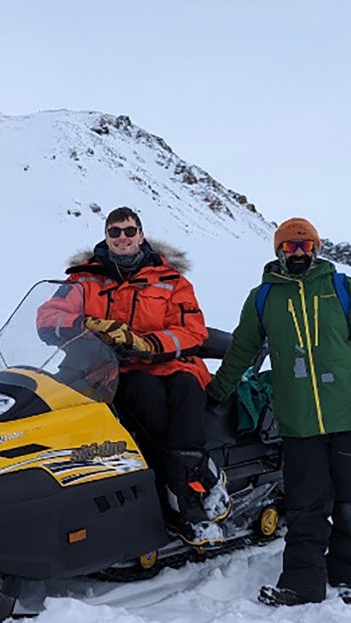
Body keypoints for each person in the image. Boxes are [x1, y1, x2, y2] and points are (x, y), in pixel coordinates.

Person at [206, 217, 351, 609]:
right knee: (305, 507)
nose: (299, 253)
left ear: (316, 249)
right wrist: (214, 394)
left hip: (350, 417)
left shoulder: (344, 289)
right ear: (278, 250)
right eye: (291, 247)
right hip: (298, 422)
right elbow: (242, 350)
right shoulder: (264, 297)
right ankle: (302, 583)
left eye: (306, 246)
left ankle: (349, 579)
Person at [39, 206, 231, 547]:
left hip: (170, 364)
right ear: (106, 237)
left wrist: (148, 343)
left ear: (141, 235)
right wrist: (86, 325)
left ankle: (192, 488)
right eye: (115, 232)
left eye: (129, 231)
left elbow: (192, 330)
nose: (123, 238)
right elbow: (47, 316)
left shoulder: (170, 281)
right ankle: (183, 484)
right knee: (146, 397)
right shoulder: (85, 280)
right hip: (114, 370)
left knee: (187, 390)